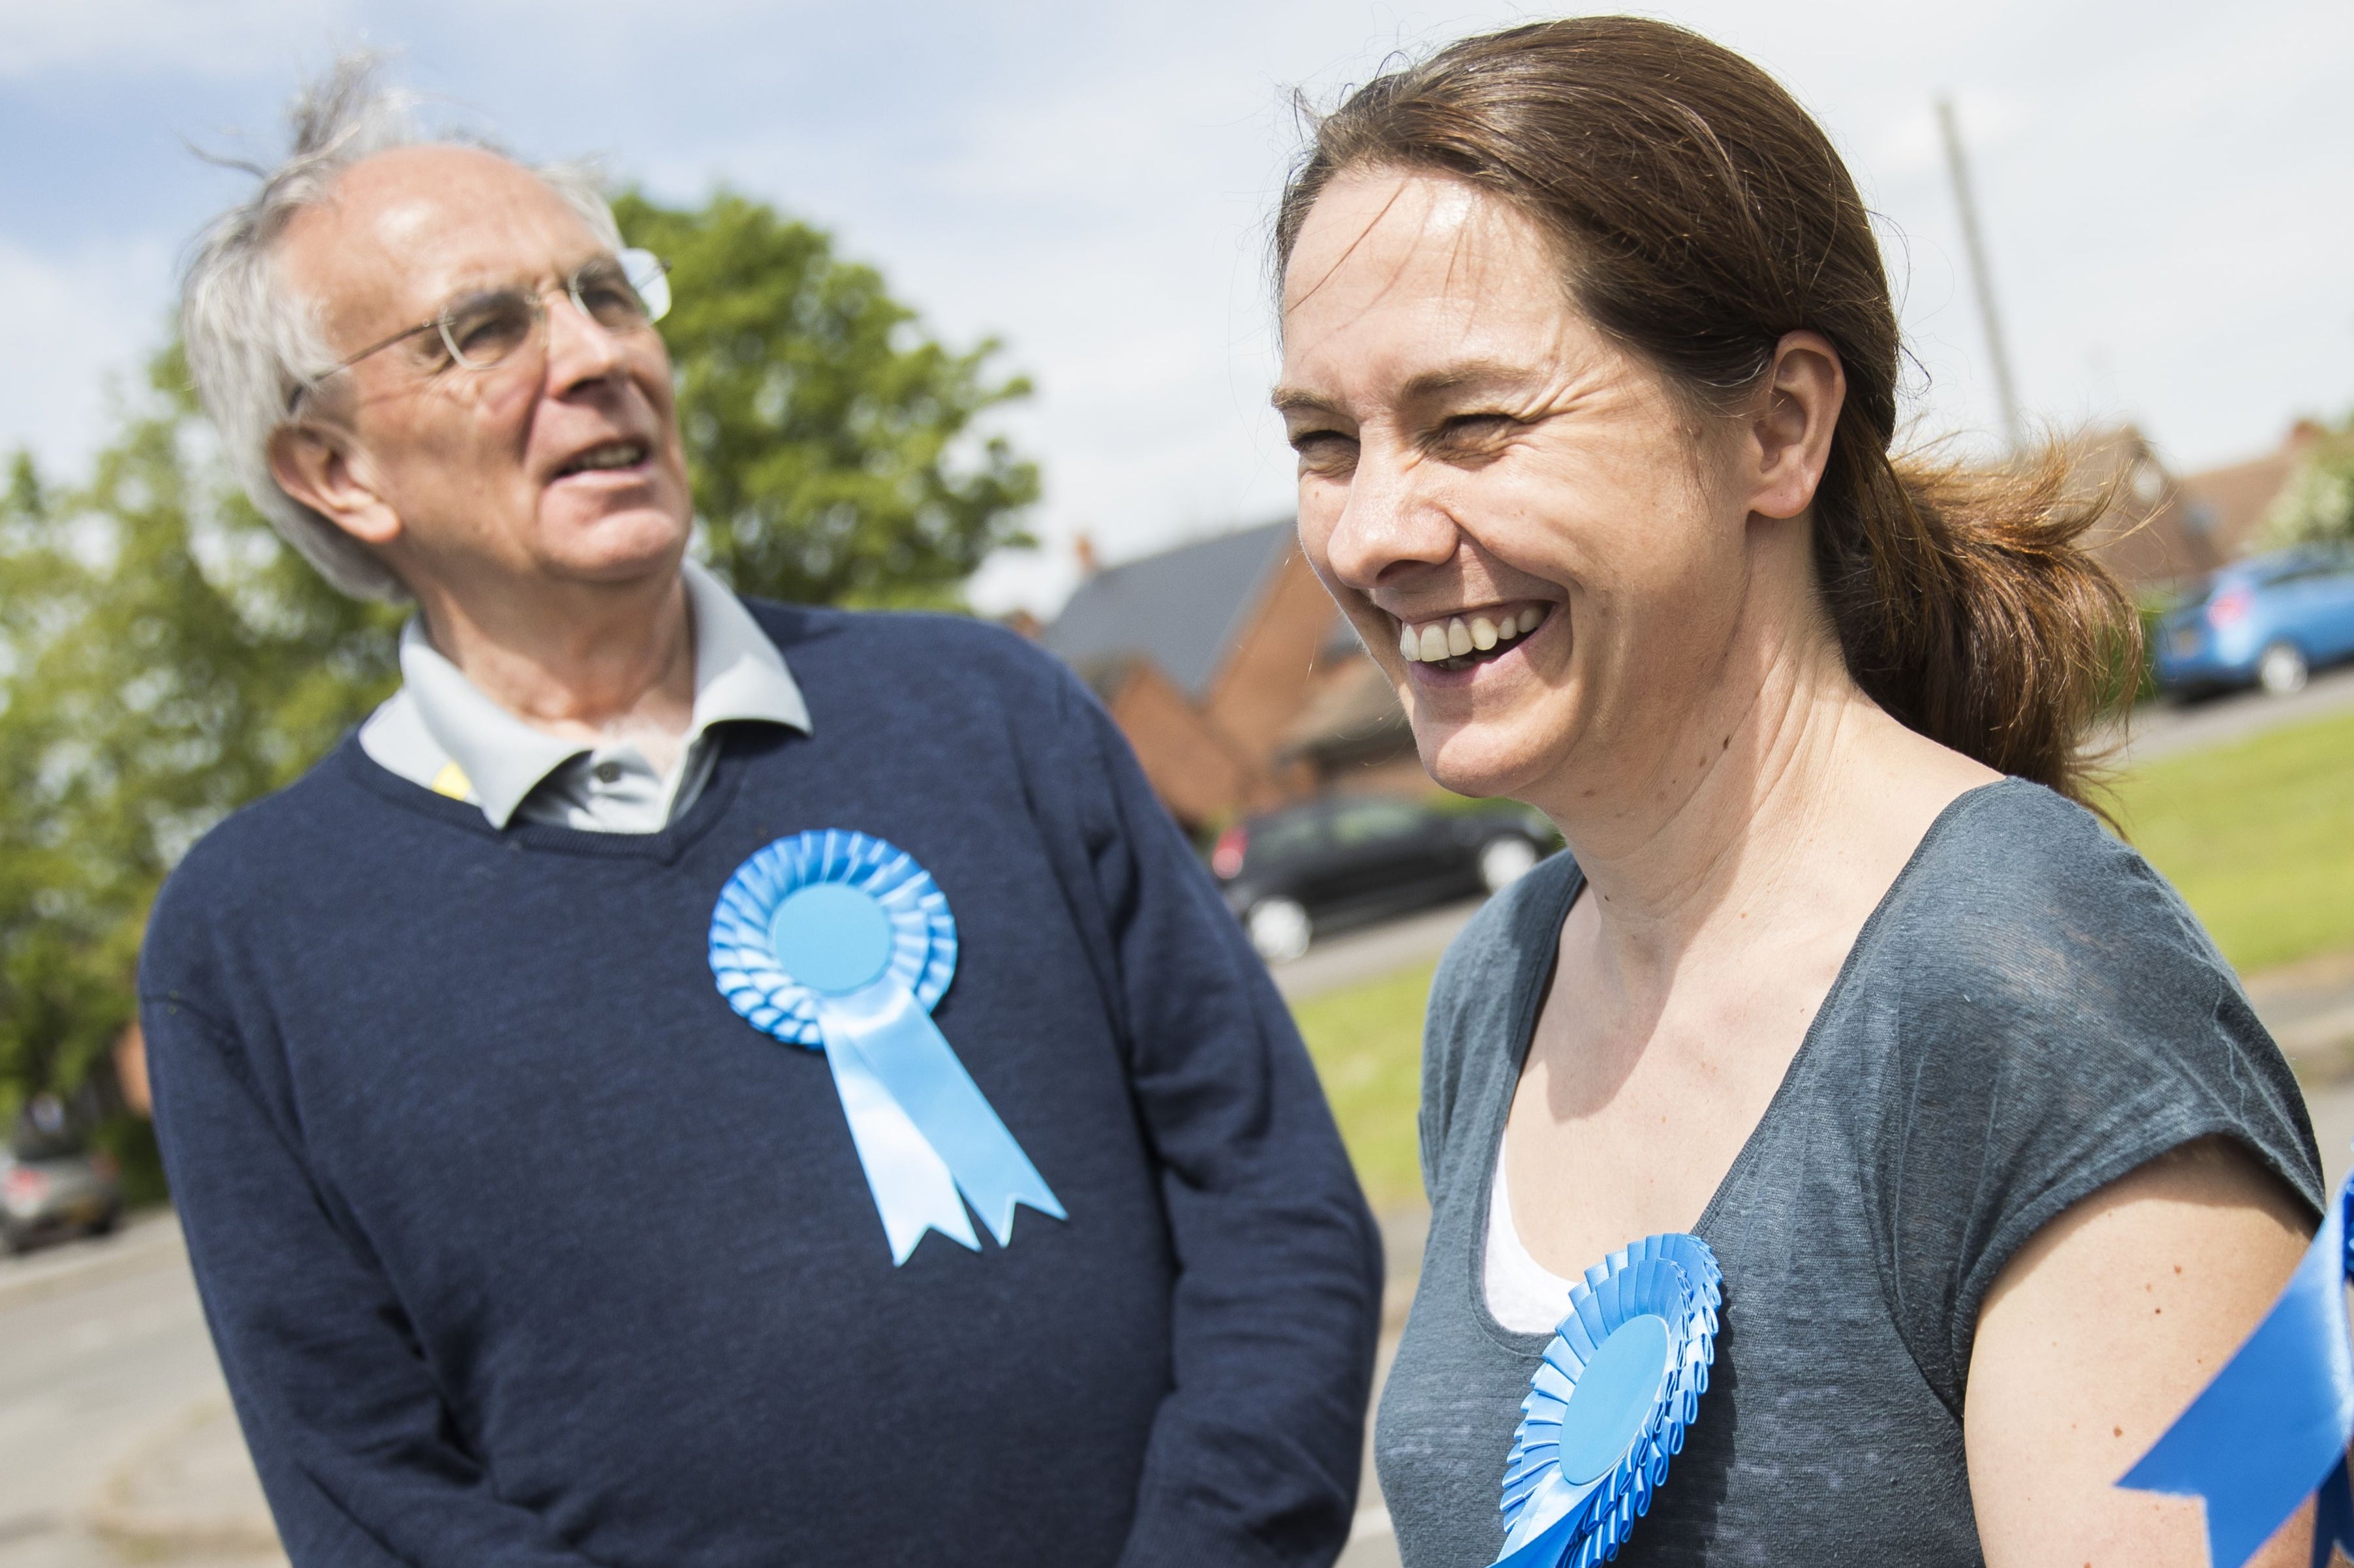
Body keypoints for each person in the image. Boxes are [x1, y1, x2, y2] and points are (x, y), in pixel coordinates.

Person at [144, 61, 1381, 1568]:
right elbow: (370, 1493)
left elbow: (1271, 1200)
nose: (595, 352)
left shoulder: (991, 708)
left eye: (607, 291)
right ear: (334, 470)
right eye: (485, 327)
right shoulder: (248, 939)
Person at [1271, 18, 2320, 1567]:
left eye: (1468, 422)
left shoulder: (2031, 992)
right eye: (1321, 441)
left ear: (1778, 429)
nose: (1370, 532)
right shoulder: (1496, 987)